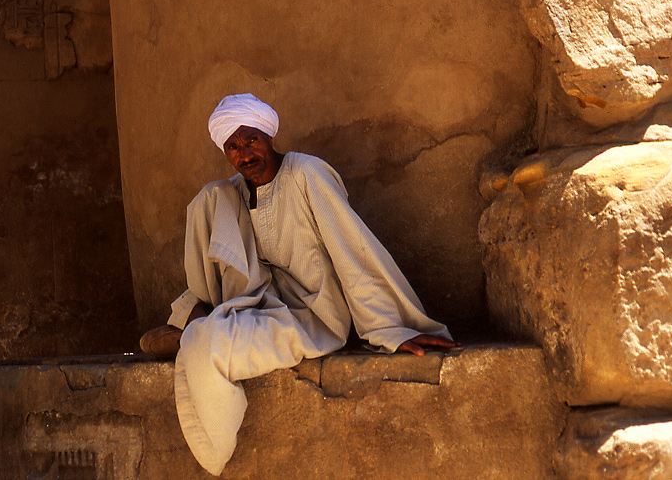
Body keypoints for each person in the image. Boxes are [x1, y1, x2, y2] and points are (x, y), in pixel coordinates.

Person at [140, 93, 457, 475]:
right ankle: (202, 317)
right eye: (233, 146)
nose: (244, 154)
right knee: (211, 197)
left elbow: (352, 249)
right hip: (254, 306)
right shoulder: (230, 194)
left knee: (207, 344)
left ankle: (211, 436)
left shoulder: (306, 174)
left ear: (268, 135)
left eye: (251, 139)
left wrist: (390, 327)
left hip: (310, 317)